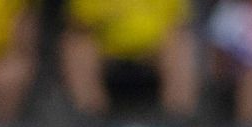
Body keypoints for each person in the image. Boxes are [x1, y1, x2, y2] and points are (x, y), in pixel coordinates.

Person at [61, 0, 201, 120]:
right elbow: (81, 20)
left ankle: (179, 120)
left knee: (181, 43)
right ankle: (90, 119)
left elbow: (178, 20)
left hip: (154, 47)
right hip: (106, 47)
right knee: (77, 45)